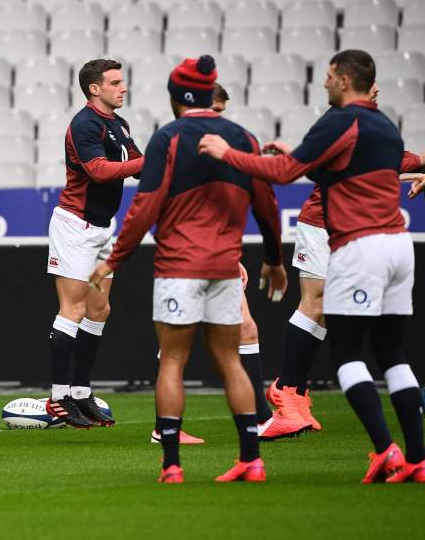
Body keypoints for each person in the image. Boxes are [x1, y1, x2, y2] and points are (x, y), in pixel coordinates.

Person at [198, 49, 425, 483]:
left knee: (345, 352)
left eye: (328, 75)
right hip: (400, 244)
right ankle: (416, 458)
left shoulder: (340, 121)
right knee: (393, 355)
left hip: (360, 245)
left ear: (343, 79)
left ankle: (383, 449)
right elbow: (348, 173)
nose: (323, 82)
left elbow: (283, 173)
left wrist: (228, 153)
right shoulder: (385, 127)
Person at [90, 55, 286, 483]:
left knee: (173, 362)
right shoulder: (242, 136)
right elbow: (266, 203)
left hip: (178, 266)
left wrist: (114, 259)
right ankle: (251, 460)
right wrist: (273, 258)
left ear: (176, 97)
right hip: (224, 266)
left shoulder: (169, 138)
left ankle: (172, 465)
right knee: (230, 362)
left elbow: (145, 206)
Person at [44, 59, 142, 428]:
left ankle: (82, 395)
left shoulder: (119, 124)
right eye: (115, 82)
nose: (123, 87)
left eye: (123, 80)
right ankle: (58, 397)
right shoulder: (84, 123)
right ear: (94, 89)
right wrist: (147, 162)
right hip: (75, 225)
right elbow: (99, 170)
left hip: (102, 227)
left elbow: (138, 164)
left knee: (99, 311)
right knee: (72, 309)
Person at [212, 84, 311, 442]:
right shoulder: (200, 147)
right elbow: (261, 198)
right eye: (216, 110)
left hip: (207, 254)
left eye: (223, 112)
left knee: (239, 331)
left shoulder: (193, 146)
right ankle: (259, 422)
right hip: (204, 256)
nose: (220, 118)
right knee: (184, 344)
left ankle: (260, 420)